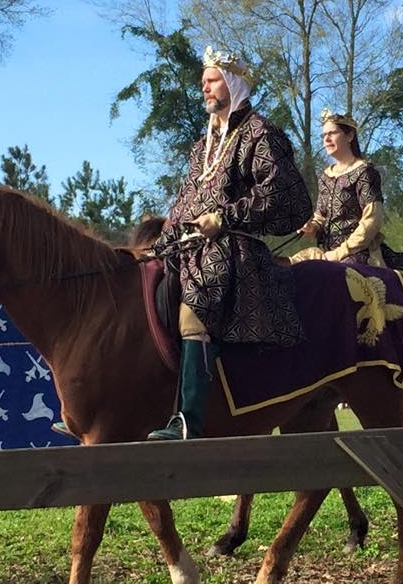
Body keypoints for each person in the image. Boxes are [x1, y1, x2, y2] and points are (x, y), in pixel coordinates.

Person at [147, 46, 312, 441]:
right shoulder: (202, 146)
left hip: (233, 249)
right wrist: (162, 240)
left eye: (212, 80)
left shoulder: (260, 133)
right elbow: (184, 200)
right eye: (203, 81)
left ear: (233, 82)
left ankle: (187, 421)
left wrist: (224, 217)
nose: (204, 87)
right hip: (187, 247)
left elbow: (282, 194)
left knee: (195, 307)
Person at [290, 109, 386, 267]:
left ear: (349, 136)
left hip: (358, 254)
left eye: (332, 133)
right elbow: (320, 217)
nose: (326, 139)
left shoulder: (364, 171)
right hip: (326, 253)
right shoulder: (325, 177)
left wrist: (340, 252)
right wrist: (310, 227)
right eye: (323, 135)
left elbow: (372, 220)